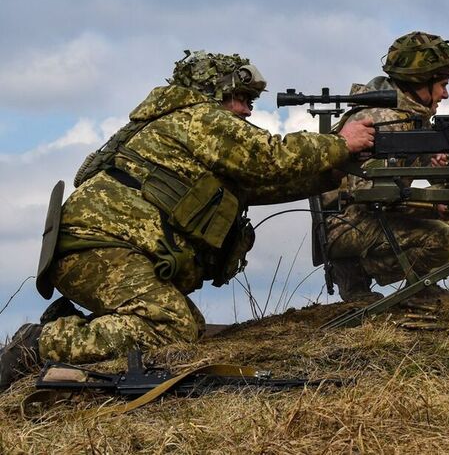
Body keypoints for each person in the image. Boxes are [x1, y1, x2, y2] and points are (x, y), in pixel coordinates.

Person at [0, 50, 375, 390]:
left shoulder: (195, 130)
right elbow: (270, 157)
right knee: (168, 326)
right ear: (214, 93)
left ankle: (63, 326)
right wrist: (340, 143)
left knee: (188, 327)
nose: (247, 110)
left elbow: (267, 183)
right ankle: (39, 343)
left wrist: (337, 169)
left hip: (105, 249)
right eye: (240, 99)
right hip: (98, 246)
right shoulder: (198, 119)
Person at [325, 31, 449, 301]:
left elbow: (427, 174)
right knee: (445, 239)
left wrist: (443, 168)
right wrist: (433, 205)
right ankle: (356, 272)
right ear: (422, 82)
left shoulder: (408, 116)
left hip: (366, 219)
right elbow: (370, 194)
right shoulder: (382, 120)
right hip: (349, 225)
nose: (446, 94)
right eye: (442, 84)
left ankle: (416, 283)